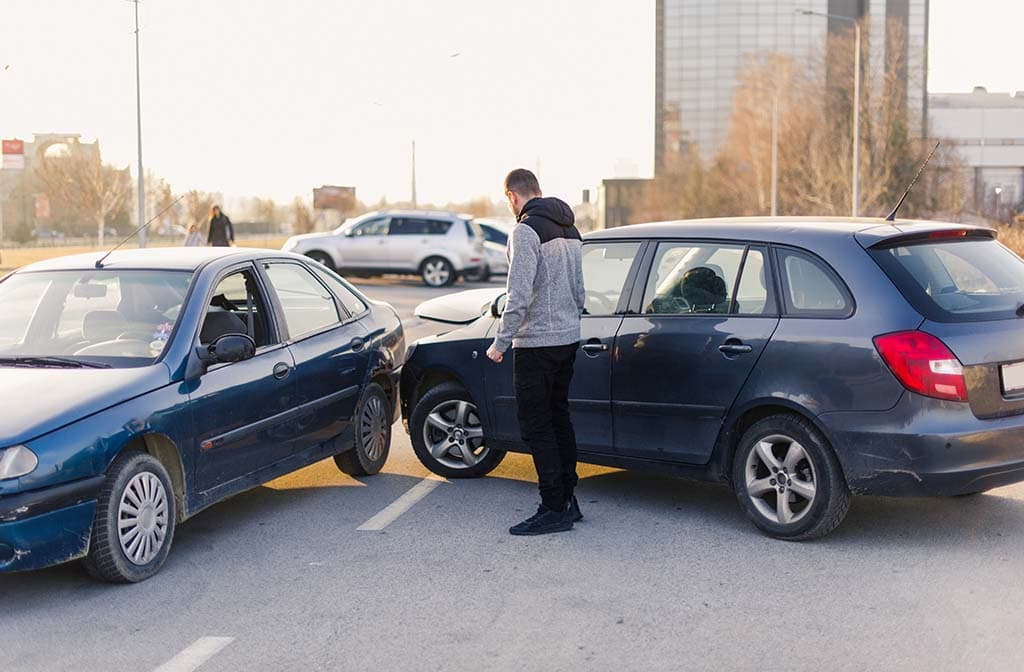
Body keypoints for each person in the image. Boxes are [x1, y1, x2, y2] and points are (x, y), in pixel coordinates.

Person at [486, 168, 585, 536]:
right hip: (567, 337)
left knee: (536, 425)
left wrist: (500, 343)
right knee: (559, 418)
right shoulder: (571, 230)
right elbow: (579, 288)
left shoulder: (524, 231)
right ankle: (568, 502)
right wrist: (571, 321)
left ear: (512, 196)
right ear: (538, 191)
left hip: (537, 343)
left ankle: (552, 507)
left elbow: (519, 295)